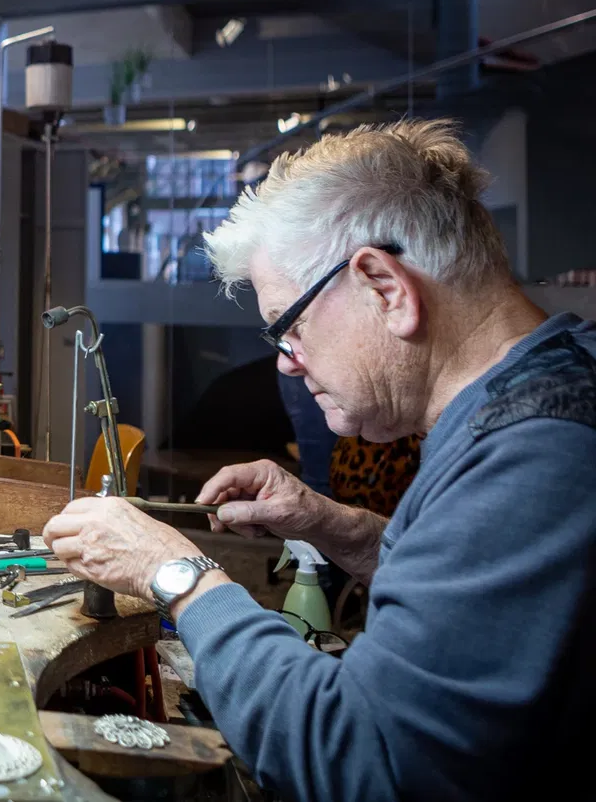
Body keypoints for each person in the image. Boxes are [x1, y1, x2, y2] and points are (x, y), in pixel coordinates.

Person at [41, 119, 596, 802]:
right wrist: (331, 523)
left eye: (291, 328)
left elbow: (359, 758)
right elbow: (478, 606)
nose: (285, 361)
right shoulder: (544, 391)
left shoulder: (540, 450)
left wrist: (177, 574)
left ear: (385, 288)